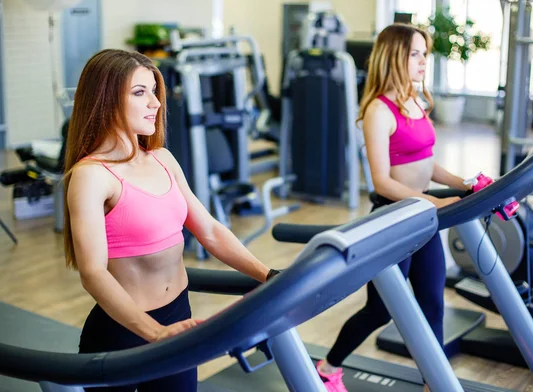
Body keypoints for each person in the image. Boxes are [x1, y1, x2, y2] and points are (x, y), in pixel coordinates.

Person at [62, 49, 279, 391]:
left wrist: (267, 275)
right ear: (105, 100)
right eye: (139, 92)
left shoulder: (162, 158)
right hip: (123, 333)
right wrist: (155, 333)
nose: (156, 103)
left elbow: (208, 230)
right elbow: (93, 273)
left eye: (154, 91)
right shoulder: (92, 176)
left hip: (177, 316)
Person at [315, 24, 473, 392]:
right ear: (395, 57)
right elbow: (383, 181)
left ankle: (432, 381)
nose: (423, 61)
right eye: (415, 53)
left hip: (422, 217)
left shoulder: (415, 100)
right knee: (381, 309)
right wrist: (435, 201)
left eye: (424, 53)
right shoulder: (378, 110)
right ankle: (328, 366)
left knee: (433, 302)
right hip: (392, 219)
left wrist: (462, 183)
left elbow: (427, 162)